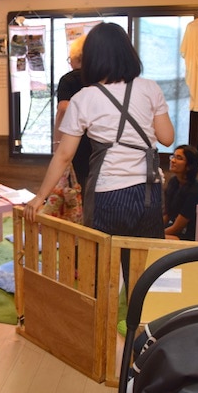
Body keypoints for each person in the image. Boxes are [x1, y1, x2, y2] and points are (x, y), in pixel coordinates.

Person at [24, 21, 174, 239]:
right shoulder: (150, 88)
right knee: (144, 261)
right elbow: (167, 138)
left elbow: (64, 156)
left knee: (104, 261)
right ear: (128, 53)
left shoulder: (84, 98)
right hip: (148, 190)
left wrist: (39, 197)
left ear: (92, 58)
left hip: (108, 191)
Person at [54, 34, 91, 195]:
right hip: (98, 140)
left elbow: (63, 107)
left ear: (76, 58)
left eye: (70, 58)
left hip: (74, 139)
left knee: (75, 188)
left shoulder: (68, 79)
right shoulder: (99, 79)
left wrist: (56, 141)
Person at [163, 144, 198, 240]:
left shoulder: (196, 191)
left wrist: (154, 236)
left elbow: (177, 228)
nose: (173, 160)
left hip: (189, 236)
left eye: (179, 158)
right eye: (173, 156)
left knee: (152, 239)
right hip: (174, 230)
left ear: (189, 166)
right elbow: (167, 215)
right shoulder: (173, 182)